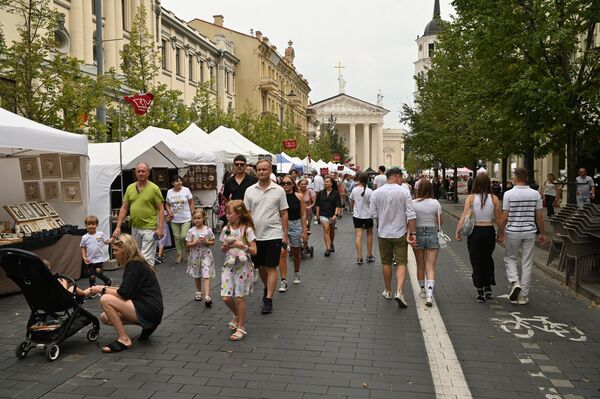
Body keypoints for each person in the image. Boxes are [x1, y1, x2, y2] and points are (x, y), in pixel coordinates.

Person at [85, 234, 164, 353]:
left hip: (149, 309)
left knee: (105, 299)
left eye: (116, 250)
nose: (114, 253)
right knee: (105, 318)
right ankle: (148, 325)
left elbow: (123, 293)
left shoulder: (134, 265)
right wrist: (100, 287)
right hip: (151, 309)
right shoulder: (136, 263)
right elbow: (126, 289)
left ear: (125, 249)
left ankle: (124, 339)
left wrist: (101, 289)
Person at [243, 159, 289, 314]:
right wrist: (246, 233)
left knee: (271, 266)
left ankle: (268, 299)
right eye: (259, 169)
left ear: (270, 171)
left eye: (264, 169)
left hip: (273, 234)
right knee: (260, 267)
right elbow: (247, 213)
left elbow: (284, 213)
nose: (262, 172)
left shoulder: (279, 190)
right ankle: (266, 287)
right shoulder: (250, 190)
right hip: (255, 235)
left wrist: (285, 235)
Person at [369, 168, 417, 307]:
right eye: (401, 177)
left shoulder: (376, 193)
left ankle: (388, 290)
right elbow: (411, 214)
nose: (402, 180)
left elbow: (372, 214)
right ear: (396, 176)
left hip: (383, 233)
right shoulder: (404, 191)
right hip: (400, 232)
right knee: (402, 262)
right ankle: (399, 291)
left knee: (386, 262)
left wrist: (382, 216)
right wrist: (413, 233)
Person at [498, 167, 545, 305]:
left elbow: (504, 217)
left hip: (513, 232)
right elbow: (540, 216)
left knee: (510, 258)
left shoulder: (508, 194)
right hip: (529, 231)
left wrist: (500, 232)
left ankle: (515, 282)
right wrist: (542, 233)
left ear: (516, 178)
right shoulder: (535, 194)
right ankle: (523, 295)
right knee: (527, 262)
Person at [455, 173, 502, 302]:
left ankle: (479, 290)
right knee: (487, 259)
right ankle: (488, 286)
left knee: (476, 260)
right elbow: (499, 219)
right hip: (489, 231)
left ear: (475, 183)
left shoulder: (470, 198)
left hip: (475, 232)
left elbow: (464, 216)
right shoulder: (494, 199)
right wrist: (501, 232)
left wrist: (458, 231)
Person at [113, 162, 165, 266]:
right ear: (135, 173)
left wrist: (160, 228)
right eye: (138, 171)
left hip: (149, 227)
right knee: (136, 255)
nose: (141, 173)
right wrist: (118, 226)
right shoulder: (130, 188)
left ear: (148, 173)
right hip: (135, 226)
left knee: (147, 257)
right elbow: (124, 207)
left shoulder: (154, 188)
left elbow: (161, 208)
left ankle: (150, 280)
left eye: (143, 171)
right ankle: (141, 280)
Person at [220, 200, 257, 341]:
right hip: (229, 264)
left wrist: (242, 246)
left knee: (239, 297)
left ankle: (241, 327)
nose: (226, 215)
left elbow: (254, 251)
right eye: (226, 212)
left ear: (239, 214)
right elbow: (223, 249)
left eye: (229, 213)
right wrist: (225, 246)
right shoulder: (226, 229)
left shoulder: (247, 230)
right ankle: (236, 315)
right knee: (226, 297)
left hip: (243, 265)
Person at [412, 180, 442, 307]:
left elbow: (410, 220)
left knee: (420, 264)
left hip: (417, 233)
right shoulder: (435, 203)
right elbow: (441, 221)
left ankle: (423, 291)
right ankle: (430, 295)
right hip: (431, 233)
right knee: (431, 266)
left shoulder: (412, 203)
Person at [278, 175, 308, 290]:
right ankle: (283, 280)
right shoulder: (279, 196)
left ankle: (296, 272)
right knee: (282, 253)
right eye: (284, 183)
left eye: (288, 183)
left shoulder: (299, 196)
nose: (286, 185)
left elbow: (303, 214)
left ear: (292, 184)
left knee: (296, 251)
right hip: (281, 225)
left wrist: (304, 230)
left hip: (295, 225)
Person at [185, 208, 216, 306]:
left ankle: (207, 295)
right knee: (197, 274)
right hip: (195, 255)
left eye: (199, 218)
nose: (197, 220)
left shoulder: (208, 230)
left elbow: (213, 242)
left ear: (203, 218)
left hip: (205, 254)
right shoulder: (191, 231)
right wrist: (195, 242)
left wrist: (206, 242)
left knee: (206, 274)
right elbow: (187, 244)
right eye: (195, 218)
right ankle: (199, 292)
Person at [165, 175, 195, 263]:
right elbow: (167, 204)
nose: (179, 183)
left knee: (183, 236)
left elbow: (191, 203)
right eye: (177, 181)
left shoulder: (186, 190)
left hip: (186, 217)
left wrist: (193, 214)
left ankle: (186, 252)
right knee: (177, 237)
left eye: (180, 181)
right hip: (174, 218)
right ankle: (179, 255)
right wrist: (169, 211)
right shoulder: (169, 192)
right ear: (172, 183)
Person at [80, 215, 114, 289]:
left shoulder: (100, 234)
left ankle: (107, 281)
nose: (91, 226)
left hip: (99, 258)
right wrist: (84, 257)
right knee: (91, 276)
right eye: (89, 224)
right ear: (86, 225)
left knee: (98, 272)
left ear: (97, 225)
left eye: (93, 224)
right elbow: (83, 247)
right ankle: (92, 289)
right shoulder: (84, 237)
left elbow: (107, 241)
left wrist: (113, 237)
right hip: (90, 260)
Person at [315, 176, 342, 257]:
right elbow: (318, 205)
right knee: (326, 229)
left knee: (331, 230)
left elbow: (338, 205)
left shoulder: (336, 193)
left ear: (331, 183)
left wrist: (335, 214)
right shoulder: (321, 193)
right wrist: (317, 215)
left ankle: (331, 243)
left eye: (327, 182)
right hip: (323, 214)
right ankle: (327, 248)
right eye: (325, 181)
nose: (325, 183)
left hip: (332, 215)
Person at [351, 173, 374, 264]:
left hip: (357, 215)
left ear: (359, 180)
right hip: (368, 215)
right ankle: (369, 255)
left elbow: (353, 202)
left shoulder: (354, 190)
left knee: (358, 236)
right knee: (369, 234)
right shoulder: (370, 191)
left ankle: (359, 257)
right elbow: (372, 204)